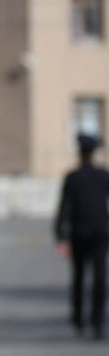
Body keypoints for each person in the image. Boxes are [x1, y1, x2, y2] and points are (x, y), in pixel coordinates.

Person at [55, 133, 109, 340]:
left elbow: (64, 208)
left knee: (78, 278)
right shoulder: (102, 175)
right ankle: (97, 321)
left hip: (79, 233)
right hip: (100, 232)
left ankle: (78, 319)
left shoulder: (73, 177)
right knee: (99, 278)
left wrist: (61, 235)